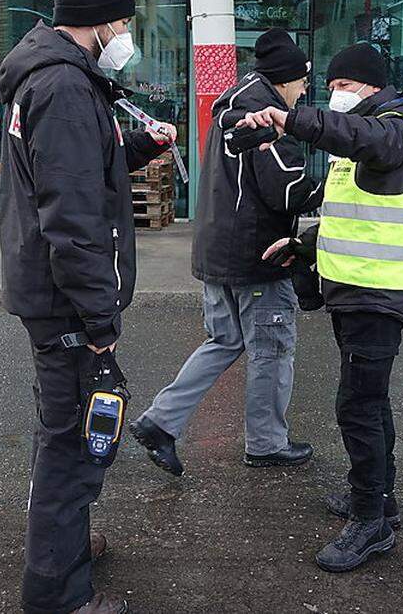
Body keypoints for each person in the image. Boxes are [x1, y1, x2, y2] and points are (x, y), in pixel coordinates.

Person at [0, 0, 176, 614]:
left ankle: (66, 548)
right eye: (123, 21)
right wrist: (101, 326)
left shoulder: (54, 82)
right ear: (98, 24)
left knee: (69, 438)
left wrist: (144, 148)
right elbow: (71, 222)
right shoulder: (66, 90)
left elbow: (80, 172)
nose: (125, 33)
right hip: (64, 301)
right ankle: (59, 594)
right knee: (71, 449)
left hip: (49, 294)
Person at [240, 42, 403, 573]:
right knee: (372, 403)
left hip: (377, 296)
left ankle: (369, 523)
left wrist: (293, 119)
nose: (335, 94)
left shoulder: (396, 130)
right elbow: (355, 216)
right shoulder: (368, 139)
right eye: (333, 86)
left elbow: (365, 138)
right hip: (354, 289)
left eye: (344, 86)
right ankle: (378, 501)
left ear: (370, 86)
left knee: (357, 407)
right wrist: (304, 246)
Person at [128, 28, 323, 477]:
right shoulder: (264, 116)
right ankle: (267, 443)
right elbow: (287, 190)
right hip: (256, 257)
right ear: (285, 78)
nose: (305, 88)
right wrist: (336, 188)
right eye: (302, 80)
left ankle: (160, 421)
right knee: (271, 349)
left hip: (218, 251)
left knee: (224, 340)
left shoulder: (232, 104)